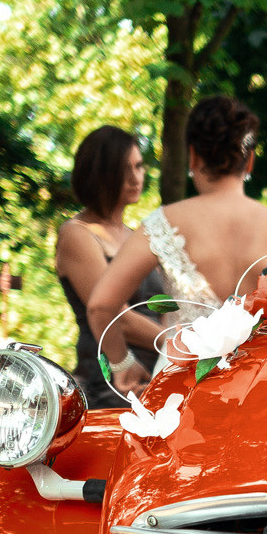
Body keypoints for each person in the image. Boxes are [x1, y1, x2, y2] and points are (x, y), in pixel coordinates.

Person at [89, 95, 267, 391]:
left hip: (181, 389)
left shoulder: (162, 224)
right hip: (265, 386)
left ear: (192, 156)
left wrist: (122, 365)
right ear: (250, 160)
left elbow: (100, 306)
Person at [58, 127, 169, 408]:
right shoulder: (77, 233)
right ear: (98, 173)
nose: (135, 177)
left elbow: (166, 307)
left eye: (139, 166)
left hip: (159, 373)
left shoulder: (138, 235)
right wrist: (182, 344)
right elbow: (117, 316)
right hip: (112, 379)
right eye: (123, 169)